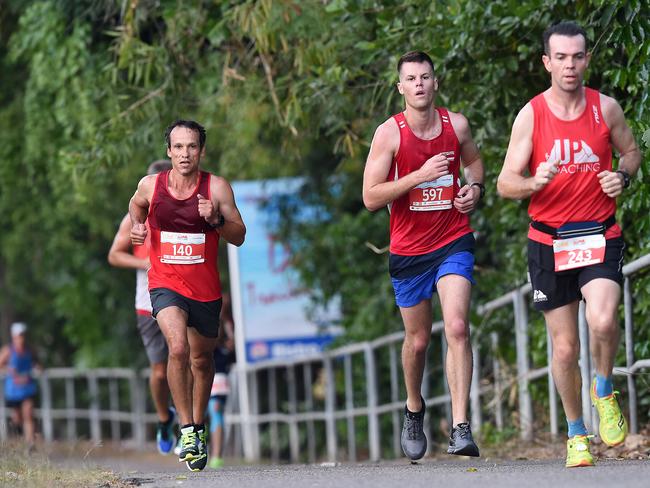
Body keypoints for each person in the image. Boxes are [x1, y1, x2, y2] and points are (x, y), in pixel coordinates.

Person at [497, 21, 641, 468]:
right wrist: (531, 183)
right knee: (563, 349)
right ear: (547, 62)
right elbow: (504, 183)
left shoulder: (606, 109)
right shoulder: (531, 115)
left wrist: (623, 175)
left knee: (602, 319)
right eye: (561, 57)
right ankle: (577, 434)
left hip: (598, 232)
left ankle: (603, 388)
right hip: (548, 240)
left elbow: (632, 152)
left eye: (577, 56)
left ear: (587, 60)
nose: (570, 65)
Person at [362, 51, 485, 461]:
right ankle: (414, 408)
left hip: (453, 239)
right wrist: (418, 176)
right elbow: (370, 197)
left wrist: (475, 189)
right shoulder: (389, 135)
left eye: (425, 77)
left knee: (457, 325)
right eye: (410, 79)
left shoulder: (457, 125)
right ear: (400, 88)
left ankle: (460, 426)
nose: (418, 84)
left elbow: (475, 162)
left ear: (435, 83)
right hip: (409, 251)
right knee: (417, 342)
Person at [129, 119, 246, 472]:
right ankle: (188, 429)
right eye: (178, 147)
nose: (184, 153)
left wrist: (216, 222)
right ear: (169, 151)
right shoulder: (152, 185)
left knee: (201, 361)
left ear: (201, 150)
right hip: (164, 283)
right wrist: (137, 225)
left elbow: (239, 235)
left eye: (191, 147)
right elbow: (136, 205)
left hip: (205, 291)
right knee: (176, 348)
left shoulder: (217, 188)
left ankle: (199, 423)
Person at [108, 159, 178, 455]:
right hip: (146, 302)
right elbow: (114, 255)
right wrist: (146, 263)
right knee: (160, 373)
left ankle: (188, 428)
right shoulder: (135, 219)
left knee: (184, 359)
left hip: (182, 297)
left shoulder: (182, 212)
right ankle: (165, 418)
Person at [0, 322, 41, 449]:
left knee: (28, 413)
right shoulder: (8, 351)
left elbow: (37, 363)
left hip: (27, 388)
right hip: (13, 390)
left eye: (23, 335)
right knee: (17, 418)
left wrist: (37, 368)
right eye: (19, 335)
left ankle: (30, 444)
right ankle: (19, 439)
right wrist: (8, 370)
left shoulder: (30, 350)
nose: (21, 338)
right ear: (14, 336)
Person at [207, 294, 236, 469]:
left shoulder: (227, 329)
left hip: (219, 377)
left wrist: (223, 313)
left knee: (216, 413)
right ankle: (201, 449)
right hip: (200, 375)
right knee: (199, 417)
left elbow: (224, 338)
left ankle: (217, 456)